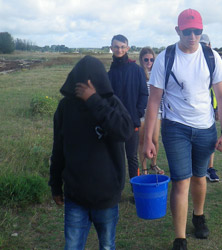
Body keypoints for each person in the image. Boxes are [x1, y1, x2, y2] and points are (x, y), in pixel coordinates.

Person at [143, 9, 222, 250]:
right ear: (177, 31)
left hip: (205, 128)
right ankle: (180, 238)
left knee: (199, 177)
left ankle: (199, 216)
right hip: (176, 129)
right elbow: (154, 101)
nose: (192, 36)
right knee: (181, 181)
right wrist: (149, 139)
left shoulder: (211, 57)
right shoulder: (165, 57)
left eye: (197, 31)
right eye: (187, 31)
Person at [49, 55, 134, 249]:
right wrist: (55, 185)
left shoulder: (111, 104)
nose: (87, 84)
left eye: (92, 80)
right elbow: (58, 149)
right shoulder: (65, 108)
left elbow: (125, 131)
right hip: (75, 195)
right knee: (72, 246)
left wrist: (94, 100)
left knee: (106, 245)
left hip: (107, 195)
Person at [108, 35, 148, 195]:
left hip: (132, 122)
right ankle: (115, 192)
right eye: (116, 47)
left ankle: (135, 191)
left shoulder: (137, 70)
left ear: (128, 48)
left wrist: (137, 113)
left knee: (132, 158)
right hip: (114, 123)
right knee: (116, 158)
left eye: (122, 46)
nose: (119, 50)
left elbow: (144, 94)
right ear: (111, 47)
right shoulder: (109, 74)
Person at [200, 33, 222, 182]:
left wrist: (217, 109)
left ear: (209, 45)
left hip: (211, 108)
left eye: (206, 44)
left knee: (210, 140)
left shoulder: (213, 59)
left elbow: (221, 91)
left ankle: (209, 168)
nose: (204, 47)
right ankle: (198, 169)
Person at [138, 47, 164, 175]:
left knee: (154, 139)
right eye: (146, 59)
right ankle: (144, 168)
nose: (149, 62)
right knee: (142, 140)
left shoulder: (158, 72)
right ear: (141, 60)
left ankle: (153, 164)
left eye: (152, 59)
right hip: (142, 111)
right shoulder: (138, 73)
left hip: (156, 111)